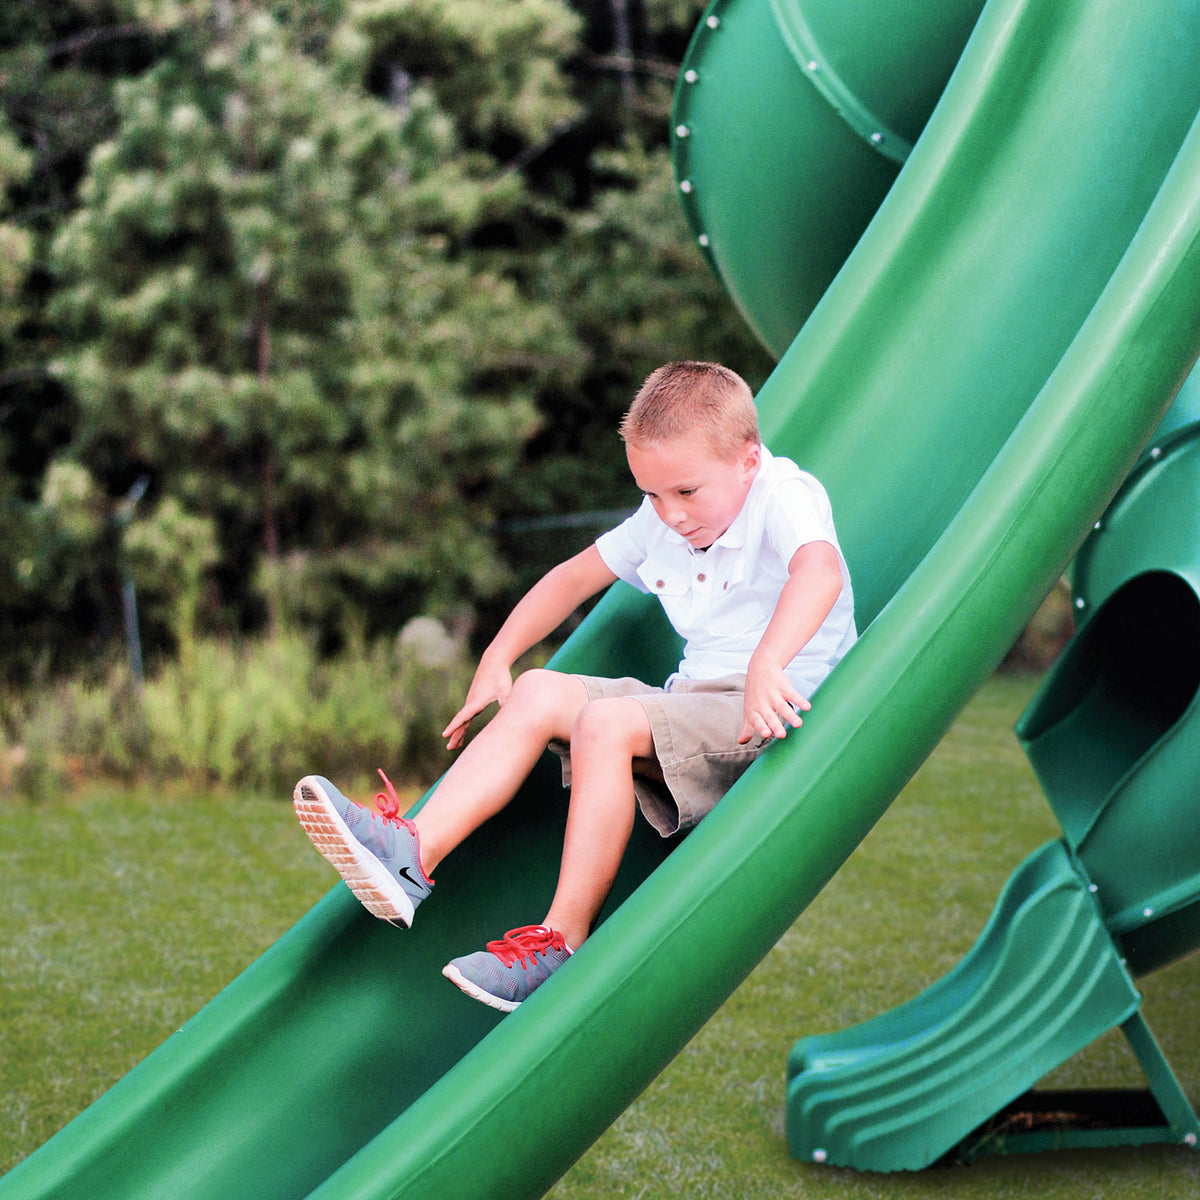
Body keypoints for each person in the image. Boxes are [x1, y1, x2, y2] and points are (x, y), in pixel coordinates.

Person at [294, 361, 856, 1012]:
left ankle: (561, 942)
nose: (669, 515)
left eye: (686, 493)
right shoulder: (665, 519)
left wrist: (769, 663)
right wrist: (498, 656)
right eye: (651, 496)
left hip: (766, 717)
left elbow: (819, 570)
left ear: (748, 460)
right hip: (690, 708)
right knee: (536, 690)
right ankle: (412, 853)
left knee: (604, 723)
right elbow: (571, 578)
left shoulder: (783, 494)